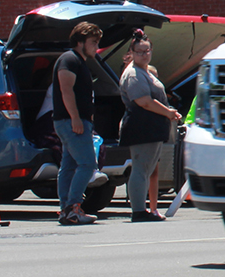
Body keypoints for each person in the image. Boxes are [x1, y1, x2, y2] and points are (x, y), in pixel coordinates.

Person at [118, 30, 182, 222]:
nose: (144, 55)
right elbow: (144, 101)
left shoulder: (145, 71)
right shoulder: (133, 74)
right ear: (132, 53)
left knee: (147, 168)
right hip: (141, 127)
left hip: (152, 128)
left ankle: (143, 209)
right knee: (141, 168)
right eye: (139, 52)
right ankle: (138, 211)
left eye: (147, 51)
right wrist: (168, 112)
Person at [53, 21, 105, 225]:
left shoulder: (80, 61)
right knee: (87, 164)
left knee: (69, 165)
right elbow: (67, 91)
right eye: (93, 42)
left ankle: (67, 209)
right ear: (80, 41)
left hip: (75, 121)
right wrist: (75, 118)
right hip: (70, 121)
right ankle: (73, 206)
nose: (96, 46)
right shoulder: (69, 59)